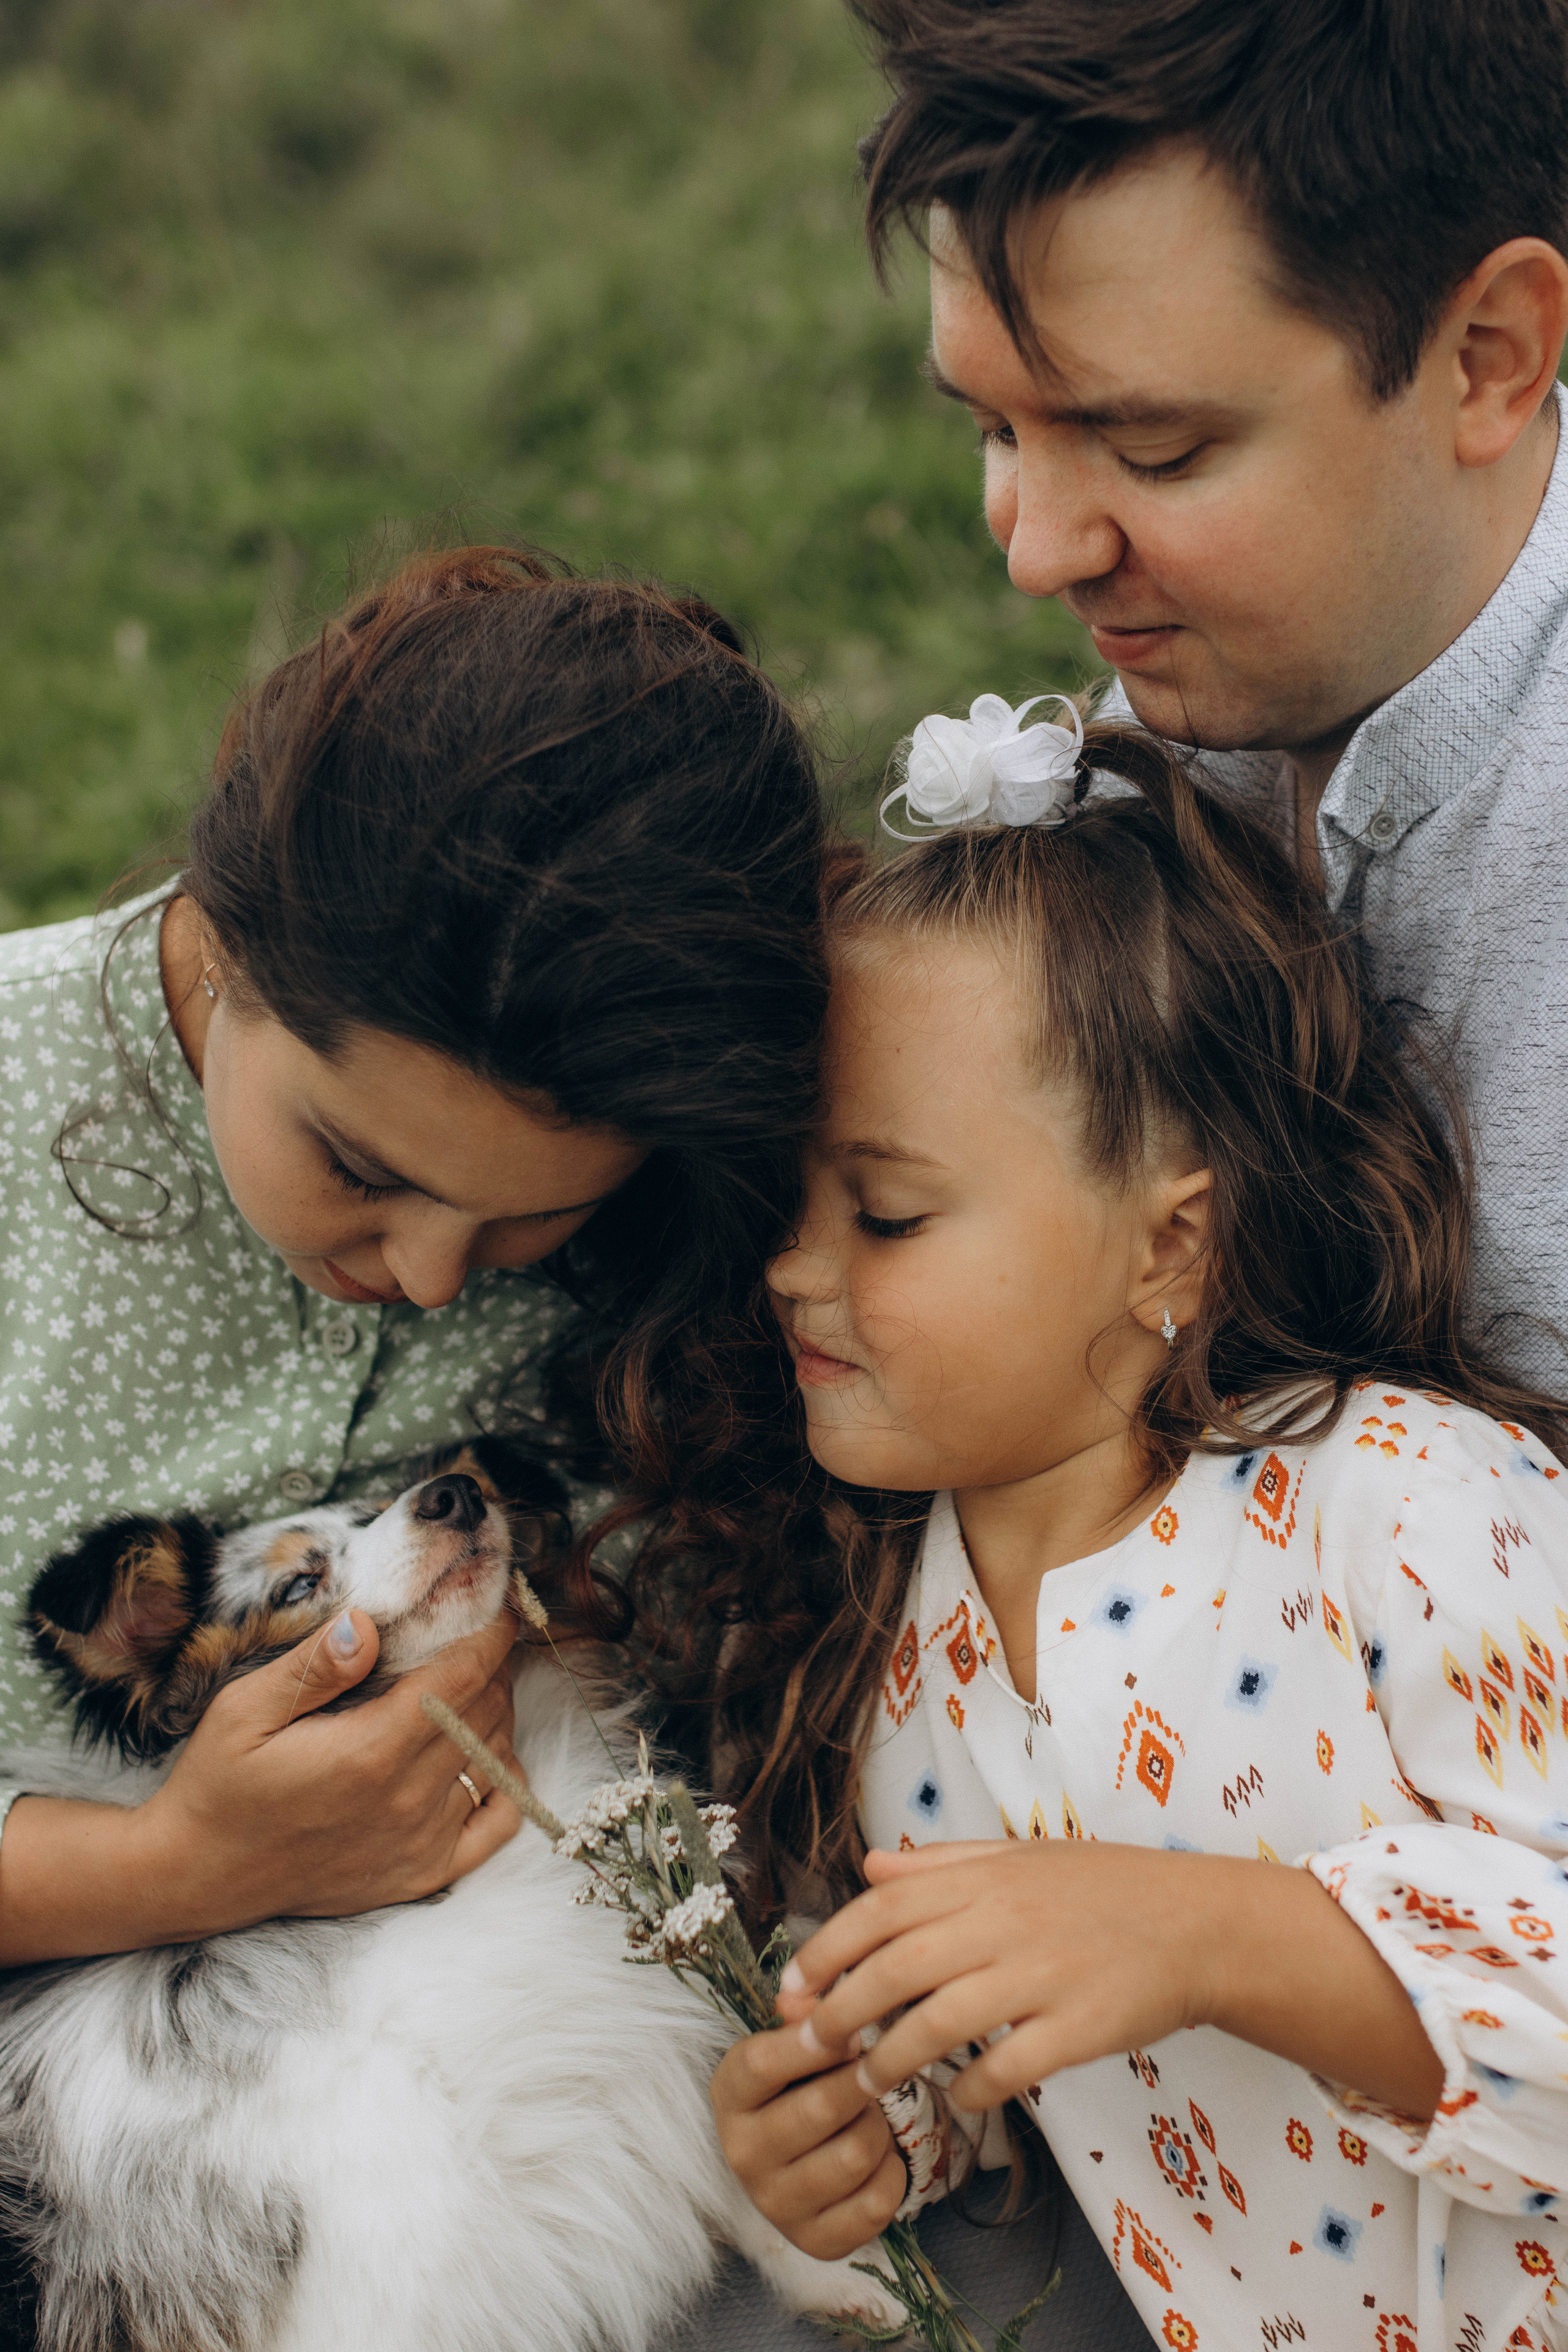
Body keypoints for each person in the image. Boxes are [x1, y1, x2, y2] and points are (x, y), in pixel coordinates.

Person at [623, 711, 1568, 2347]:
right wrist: (870, 2128)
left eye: (888, 1211)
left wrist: (1213, 1936)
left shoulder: (1405, 1508)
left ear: (1171, 1247)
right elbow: (1020, 2067)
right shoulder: (911, 1673)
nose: (790, 1265)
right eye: (786, 1199)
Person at [0, 543, 832, 1967]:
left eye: (529, 1220)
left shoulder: (708, 1212)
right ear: (228, 936)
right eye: (361, 1169)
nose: (438, 1276)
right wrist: (168, 1867)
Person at [848, 0, 1568, 1389]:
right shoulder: (1217, 704)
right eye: (996, 427)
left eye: (1152, 447)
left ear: (1485, 355)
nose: (1034, 550)